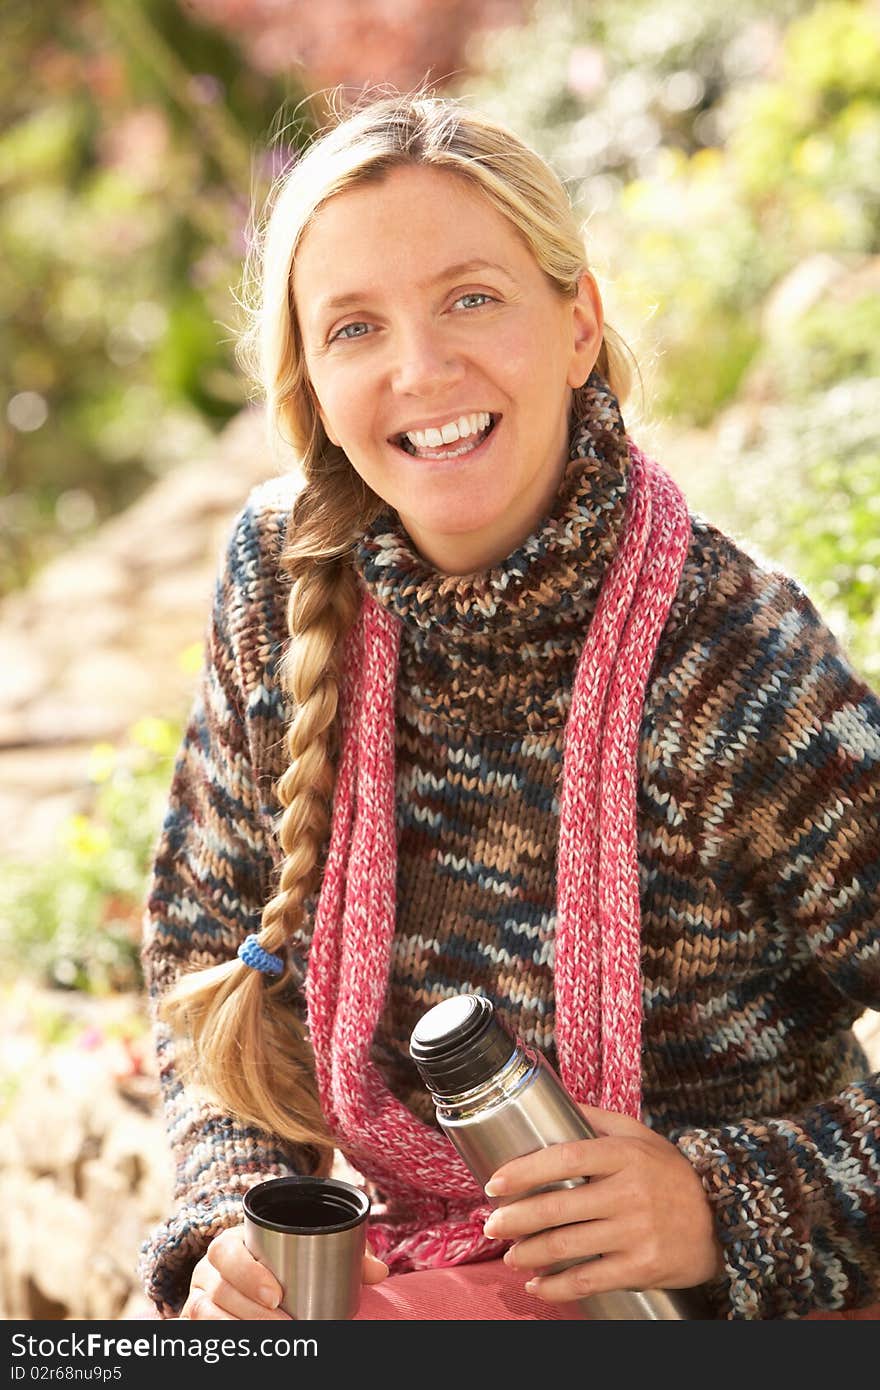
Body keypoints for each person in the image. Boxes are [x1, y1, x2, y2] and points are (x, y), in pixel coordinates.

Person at [137, 91, 880, 1322]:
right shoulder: (281, 577)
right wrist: (240, 1214)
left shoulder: (734, 661)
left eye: (471, 297)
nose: (422, 370)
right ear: (311, 383)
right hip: (396, 1284)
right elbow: (209, 944)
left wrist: (724, 1203)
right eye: (355, 327)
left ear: (577, 320)